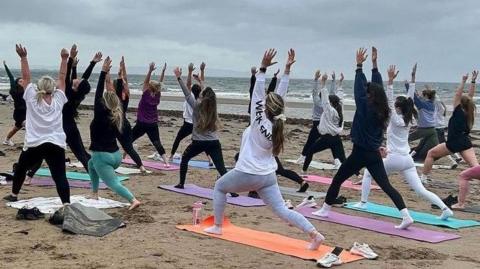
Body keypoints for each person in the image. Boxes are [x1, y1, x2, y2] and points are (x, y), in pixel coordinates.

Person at [203, 49, 325, 251]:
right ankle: (314, 234)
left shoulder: (257, 119)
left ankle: (217, 226)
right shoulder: (278, 123)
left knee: (219, 187)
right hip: (267, 175)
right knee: (281, 210)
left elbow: (258, 93)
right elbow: (279, 96)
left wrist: (263, 68)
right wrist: (286, 71)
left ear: (263, 108)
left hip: (248, 172)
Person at [313, 47, 414, 229]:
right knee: (386, 185)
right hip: (374, 154)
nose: (365, 93)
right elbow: (378, 88)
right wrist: (374, 66)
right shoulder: (384, 109)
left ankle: (325, 209)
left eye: (368, 92)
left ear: (369, 95)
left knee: (338, 179)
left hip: (360, 153)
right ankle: (405, 215)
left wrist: (359, 66)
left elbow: (359, 89)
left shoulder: (364, 107)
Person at [353, 65, 453, 220]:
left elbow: (389, 98)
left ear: (398, 108)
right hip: (407, 160)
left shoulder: (394, 117)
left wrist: (391, 82)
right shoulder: (410, 118)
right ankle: (445, 209)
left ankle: (363, 202)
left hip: (394, 158)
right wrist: (412, 80)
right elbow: (410, 100)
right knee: (420, 190)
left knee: (367, 173)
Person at [23, 45, 102, 183]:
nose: (77, 79)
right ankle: (94, 175)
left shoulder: (66, 93)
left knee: (43, 152)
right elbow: (82, 78)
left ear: (76, 87)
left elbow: (66, 77)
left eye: (78, 82)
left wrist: (69, 59)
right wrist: (93, 63)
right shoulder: (76, 94)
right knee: (81, 153)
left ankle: (29, 177)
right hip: (71, 127)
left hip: (59, 128)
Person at [3, 44, 70, 204]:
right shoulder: (59, 98)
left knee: (21, 168)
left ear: (39, 88)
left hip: (35, 143)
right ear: (52, 88)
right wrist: (64, 59)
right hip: (55, 143)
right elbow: (62, 77)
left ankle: (14, 195)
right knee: (59, 175)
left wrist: (23, 57)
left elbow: (26, 78)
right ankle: (66, 204)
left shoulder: (32, 97)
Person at [238, 70, 310, 194]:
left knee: (277, 170)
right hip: (264, 154)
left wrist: (260, 72)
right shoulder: (275, 122)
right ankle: (255, 189)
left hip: (259, 155)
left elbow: (254, 92)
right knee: (277, 170)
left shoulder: (259, 119)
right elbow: (279, 96)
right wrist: (284, 73)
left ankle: (254, 190)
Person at [172, 64, 238, 197]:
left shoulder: (196, 106)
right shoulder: (213, 107)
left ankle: (181, 183)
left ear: (203, 97)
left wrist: (179, 78)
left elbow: (186, 92)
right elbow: (208, 93)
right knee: (221, 168)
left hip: (199, 142)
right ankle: (232, 191)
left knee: (185, 159)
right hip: (214, 142)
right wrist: (201, 81)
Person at [88, 56, 141, 210]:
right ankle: (95, 193)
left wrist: (104, 72)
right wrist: (110, 73)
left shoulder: (100, 114)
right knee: (91, 165)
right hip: (116, 155)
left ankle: (133, 199)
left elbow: (98, 92)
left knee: (113, 183)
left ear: (103, 102)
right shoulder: (117, 112)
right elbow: (108, 92)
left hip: (102, 156)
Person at [421, 71, 478, 181]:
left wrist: (463, 80)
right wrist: (473, 81)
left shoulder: (458, 110)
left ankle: (423, 178)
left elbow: (458, 94)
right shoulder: (469, 111)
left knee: (431, 154)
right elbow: (470, 96)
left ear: (460, 102)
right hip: (465, 142)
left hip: (453, 143)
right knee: (475, 167)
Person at [169, 62, 212, 164]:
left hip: (188, 123)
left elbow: (187, 84)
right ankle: (210, 159)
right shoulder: (202, 99)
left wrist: (189, 72)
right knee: (203, 141)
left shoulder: (191, 98)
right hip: (198, 124)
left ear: (192, 91)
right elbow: (203, 86)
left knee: (178, 139)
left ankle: (170, 156)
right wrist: (202, 71)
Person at [302, 72, 345, 174]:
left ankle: (304, 171)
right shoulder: (339, 110)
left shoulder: (329, 111)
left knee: (310, 151)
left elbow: (325, 98)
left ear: (331, 103)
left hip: (326, 138)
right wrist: (339, 83)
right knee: (343, 159)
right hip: (336, 138)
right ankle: (357, 174)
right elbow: (339, 95)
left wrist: (323, 82)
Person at [131, 62, 169, 166]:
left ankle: (124, 156)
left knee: (129, 139)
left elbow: (146, 82)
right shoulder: (157, 95)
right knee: (157, 142)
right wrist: (163, 71)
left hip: (142, 123)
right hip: (152, 123)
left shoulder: (146, 94)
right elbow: (160, 83)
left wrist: (150, 71)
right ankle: (166, 162)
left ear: (149, 87)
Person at [114, 56, 148, 174]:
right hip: (126, 124)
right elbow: (125, 82)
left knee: (108, 143)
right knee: (128, 147)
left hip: (116, 125)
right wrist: (123, 67)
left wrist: (119, 71)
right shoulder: (126, 96)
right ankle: (141, 167)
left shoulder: (116, 98)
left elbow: (119, 84)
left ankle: (107, 163)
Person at [408, 64, 438, 161]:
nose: (420, 95)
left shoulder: (423, 105)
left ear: (425, 96)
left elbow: (414, 96)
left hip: (424, 129)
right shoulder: (431, 103)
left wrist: (411, 79)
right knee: (421, 146)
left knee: (406, 138)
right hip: (432, 129)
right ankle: (411, 155)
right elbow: (419, 97)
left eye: (422, 94)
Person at [434, 97, 462, 168]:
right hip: (441, 128)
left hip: (437, 129)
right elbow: (438, 101)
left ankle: (452, 161)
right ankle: (457, 156)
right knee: (446, 145)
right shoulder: (443, 111)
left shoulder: (438, 110)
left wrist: (433, 95)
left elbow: (436, 101)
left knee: (441, 147)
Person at [3, 60, 25, 146]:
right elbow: (11, 77)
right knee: (29, 126)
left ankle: (6, 140)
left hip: (26, 112)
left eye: (23, 81)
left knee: (16, 128)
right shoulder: (14, 90)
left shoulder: (25, 90)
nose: (22, 82)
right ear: (16, 83)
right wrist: (5, 66)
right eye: (20, 81)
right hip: (19, 114)